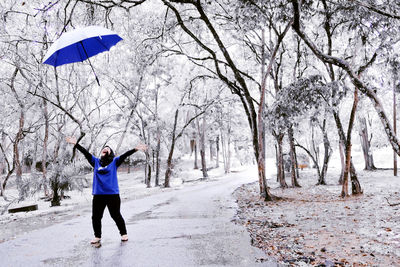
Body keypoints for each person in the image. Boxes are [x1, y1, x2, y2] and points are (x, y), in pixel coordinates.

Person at [65, 136, 147, 244]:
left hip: (112, 194)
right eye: (104, 148)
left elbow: (125, 155)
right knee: (96, 217)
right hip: (98, 195)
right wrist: (76, 144)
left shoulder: (115, 162)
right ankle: (97, 236)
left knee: (115, 215)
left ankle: (124, 234)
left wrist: (135, 149)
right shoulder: (95, 162)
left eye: (107, 148)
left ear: (110, 152)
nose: (105, 148)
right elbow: (86, 153)